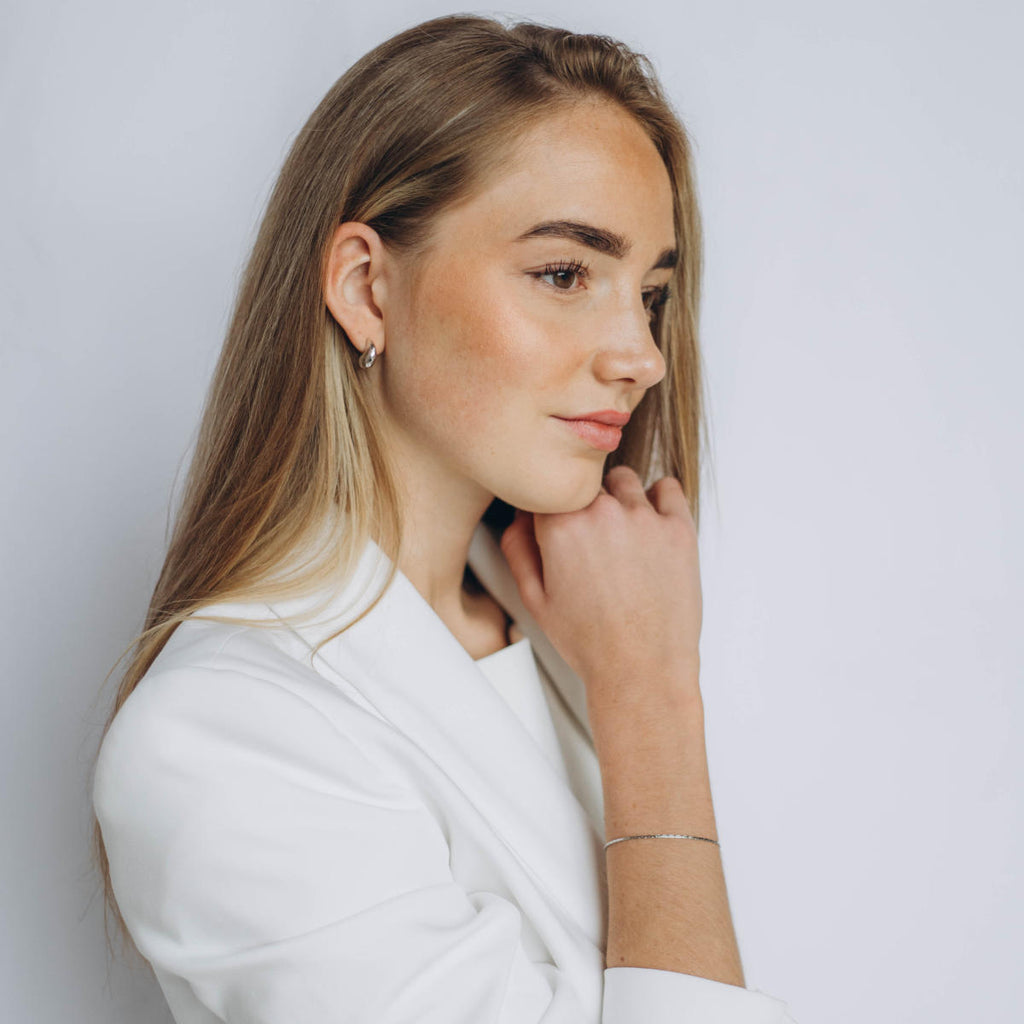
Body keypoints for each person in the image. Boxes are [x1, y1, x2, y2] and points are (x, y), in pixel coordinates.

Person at [92, 13, 799, 1023]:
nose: (642, 356)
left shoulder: (571, 619)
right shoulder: (223, 738)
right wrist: (651, 702)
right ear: (366, 288)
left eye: (649, 293)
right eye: (564, 274)